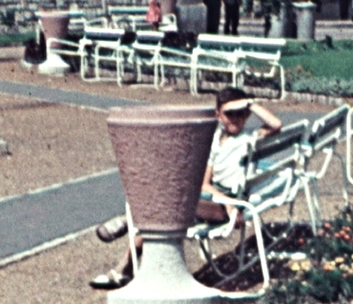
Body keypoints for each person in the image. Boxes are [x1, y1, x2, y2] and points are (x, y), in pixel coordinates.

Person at [91, 88, 281, 287]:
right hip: (214, 200)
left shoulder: (249, 138)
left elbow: (276, 124)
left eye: (240, 113)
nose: (235, 118)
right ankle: (123, 268)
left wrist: (249, 102)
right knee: (163, 212)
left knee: (165, 208)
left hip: (229, 205)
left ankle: (128, 230)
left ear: (247, 114)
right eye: (229, 113)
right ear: (218, 115)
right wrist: (224, 201)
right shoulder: (214, 142)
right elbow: (205, 183)